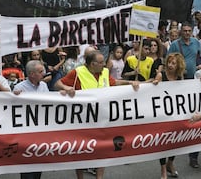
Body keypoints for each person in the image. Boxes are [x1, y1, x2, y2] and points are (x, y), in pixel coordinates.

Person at [55, 50, 139, 179]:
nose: (104, 65)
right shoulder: (78, 72)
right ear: (92, 64)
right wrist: (67, 88)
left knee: (102, 150)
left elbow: (114, 82)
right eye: (100, 63)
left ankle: (99, 177)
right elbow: (58, 84)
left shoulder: (104, 72)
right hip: (83, 119)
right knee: (81, 151)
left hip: (102, 118)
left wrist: (129, 83)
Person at [13, 60, 49, 179]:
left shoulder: (43, 86)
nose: (43, 73)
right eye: (40, 71)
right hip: (26, 131)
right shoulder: (19, 88)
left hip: (41, 131)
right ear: (32, 74)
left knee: (39, 163)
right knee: (27, 164)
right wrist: (13, 96)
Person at [153, 53, 186, 179]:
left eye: (174, 63)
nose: (171, 65)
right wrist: (155, 82)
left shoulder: (179, 77)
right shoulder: (162, 75)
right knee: (163, 142)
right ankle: (163, 170)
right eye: (169, 62)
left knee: (175, 140)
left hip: (175, 114)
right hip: (162, 114)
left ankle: (170, 163)